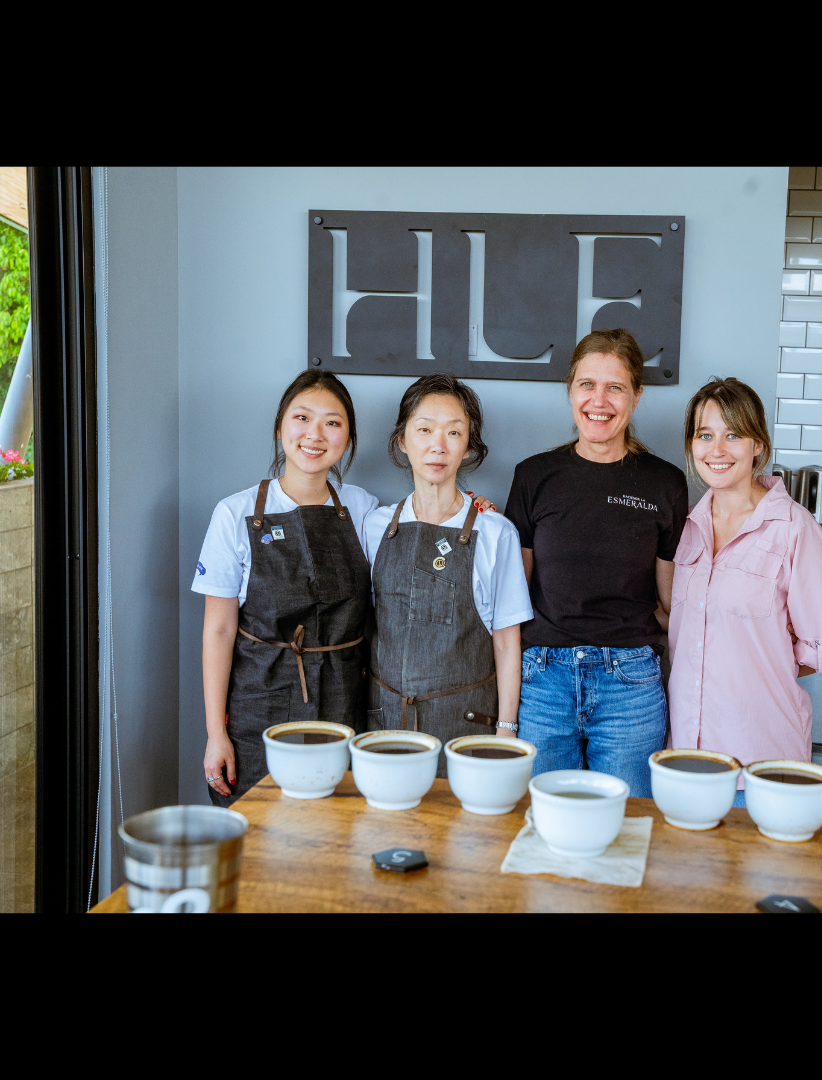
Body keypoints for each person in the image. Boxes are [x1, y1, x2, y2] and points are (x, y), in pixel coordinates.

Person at [504, 329, 688, 798]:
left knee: (629, 824)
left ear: (637, 395)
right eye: (587, 384)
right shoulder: (533, 476)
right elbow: (513, 594)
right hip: (543, 678)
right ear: (570, 390)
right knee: (541, 821)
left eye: (615, 387)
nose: (599, 401)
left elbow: (673, 601)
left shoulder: (665, 483)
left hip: (630, 683)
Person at [194, 371, 376, 805]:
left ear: (347, 439)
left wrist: (475, 510)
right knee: (257, 849)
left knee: (335, 846)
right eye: (302, 418)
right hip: (260, 706)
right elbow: (218, 631)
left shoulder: (364, 508)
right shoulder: (233, 513)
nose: (315, 434)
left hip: (344, 704)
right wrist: (215, 734)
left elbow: (422, 523)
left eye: (332, 423)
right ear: (280, 428)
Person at [667, 377, 822, 800]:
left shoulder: (793, 529)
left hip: (758, 762)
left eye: (733, 434)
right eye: (705, 435)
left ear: (757, 445)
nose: (717, 449)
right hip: (686, 761)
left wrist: (769, 662)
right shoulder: (689, 528)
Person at [364, 373, 532, 776]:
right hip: (385, 727)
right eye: (424, 430)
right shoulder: (374, 526)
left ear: (468, 447)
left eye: (454, 433)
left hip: (468, 730)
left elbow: (509, 643)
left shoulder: (496, 532)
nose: (438, 445)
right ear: (402, 441)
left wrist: (507, 731)